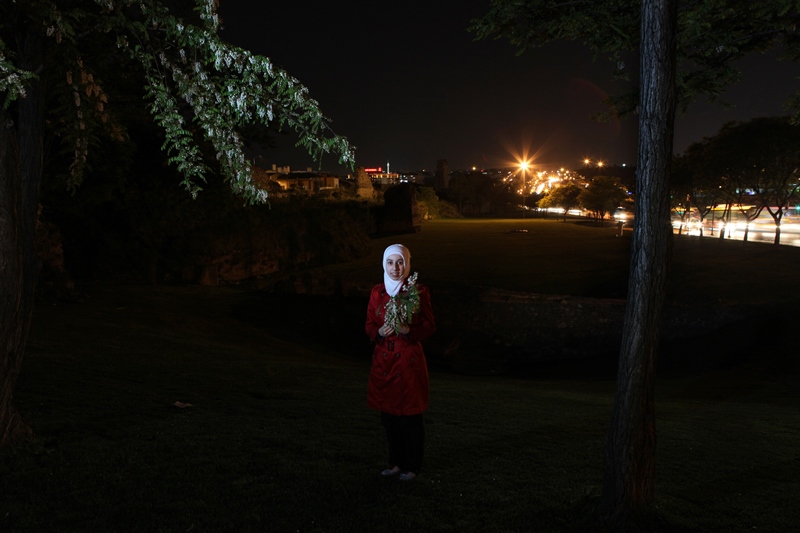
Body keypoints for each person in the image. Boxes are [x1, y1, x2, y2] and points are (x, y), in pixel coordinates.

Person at [366, 244, 436, 481]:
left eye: (400, 263)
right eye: (390, 263)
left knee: (410, 417)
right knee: (389, 417)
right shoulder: (377, 292)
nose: (395, 268)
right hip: (384, 363)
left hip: (408, 363)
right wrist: (379, 333)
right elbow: (368, 325)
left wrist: (408, 330)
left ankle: (412, 466)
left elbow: (429, 325)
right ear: (384, 264)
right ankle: (395, 462)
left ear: (407, 264)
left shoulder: (417, 291)